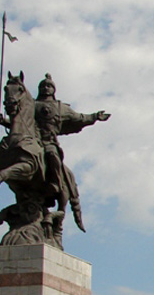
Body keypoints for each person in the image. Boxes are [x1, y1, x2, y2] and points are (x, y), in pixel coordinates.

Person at [34, 73, 110, 230]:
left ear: (53, 90)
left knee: (51, 155)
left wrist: (95, 116)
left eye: (49, 86)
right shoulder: (31, 105)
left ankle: (55, 183)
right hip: (31, 140)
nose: (45, 88)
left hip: (48, 143)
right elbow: (20, 121)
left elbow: (79, 118)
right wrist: (4, 121)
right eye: (43, 86)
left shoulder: (61, 107)